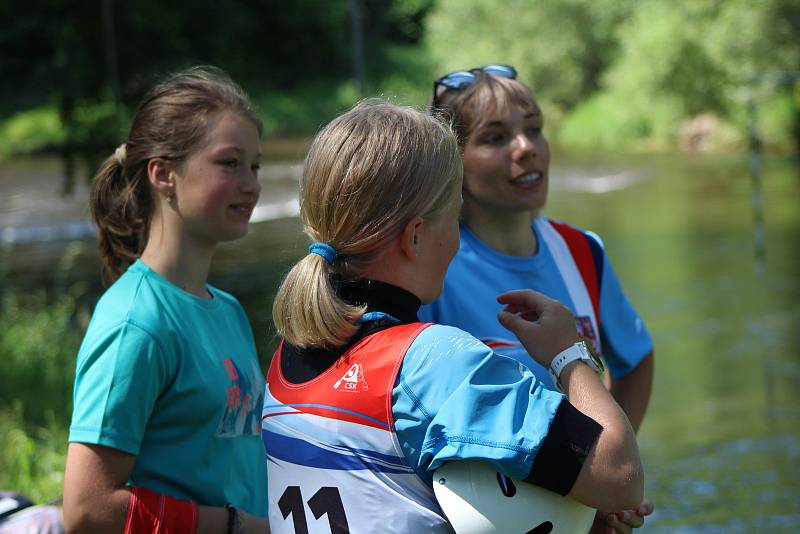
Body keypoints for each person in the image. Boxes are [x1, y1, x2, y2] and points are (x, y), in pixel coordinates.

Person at [263, 100, 643, 533]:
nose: (459, 240)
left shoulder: (286, 359)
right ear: (416, 236)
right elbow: (620, 474)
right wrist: (568, 354)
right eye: (455, 216)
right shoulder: (434, 361)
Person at [420, 63, 655, 532]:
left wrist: (601, 489)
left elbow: (637, 360)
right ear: (454, 163)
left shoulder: (582, 251)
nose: (526, 148)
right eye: (495, 138)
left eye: (534, 130)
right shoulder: (431, 264)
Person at [63, 66, 268, 534]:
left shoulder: (229, 310)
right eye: (229, 163)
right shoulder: (135, 323)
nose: (251, 183)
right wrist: (234, 526)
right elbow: (86, 508)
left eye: (254, 165)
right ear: (163, 174)